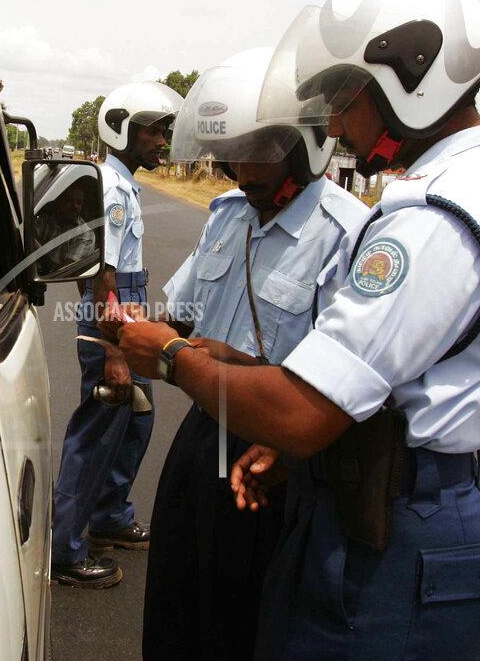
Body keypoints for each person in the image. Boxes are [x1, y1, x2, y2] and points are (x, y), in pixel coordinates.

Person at [119, 0, 480, 659]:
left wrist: (174, 359)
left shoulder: (433, 220)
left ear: (408, 78)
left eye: (345, 96)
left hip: (392, 511)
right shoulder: (455, 194)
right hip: (352, 476)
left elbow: (304, 408)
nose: (333, 123)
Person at [143, 48, 367, 659]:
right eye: (233, 151)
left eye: (260, 150)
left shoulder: (347, 235)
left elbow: (343, 384)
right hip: (201, 432)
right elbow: (181, 317)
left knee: (244, 625)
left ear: (306, 144)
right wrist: (132, 336)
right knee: (173, 609)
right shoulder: (227, 217)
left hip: (276, 456)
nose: (241, 168)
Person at [51, 81, 184, 588]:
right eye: (151, 130)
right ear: (121, 128)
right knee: (98, 431)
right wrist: (115, 350)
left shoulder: (123, 183)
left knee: (136, 423)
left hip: (129, 313)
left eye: (161, 130)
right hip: (111, 319)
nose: (159, 140)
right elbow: (101, 271)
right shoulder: (110, 186)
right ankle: (65, 549)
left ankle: (108, 517)